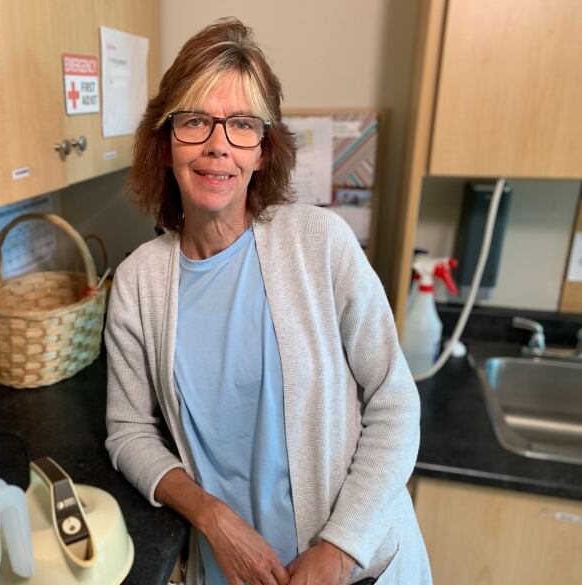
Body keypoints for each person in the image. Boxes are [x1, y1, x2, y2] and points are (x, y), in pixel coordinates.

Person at [105, 18, 432, 585]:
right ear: (164, 144)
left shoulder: (321, 245)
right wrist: (213, 518)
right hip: (228, 572)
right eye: (194, 121)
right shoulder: (137, 283)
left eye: (241, 125)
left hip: (360, 570)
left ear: (262, 150)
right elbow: (128, 431)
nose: (217, 145)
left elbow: (395, 403)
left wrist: (337, 551)